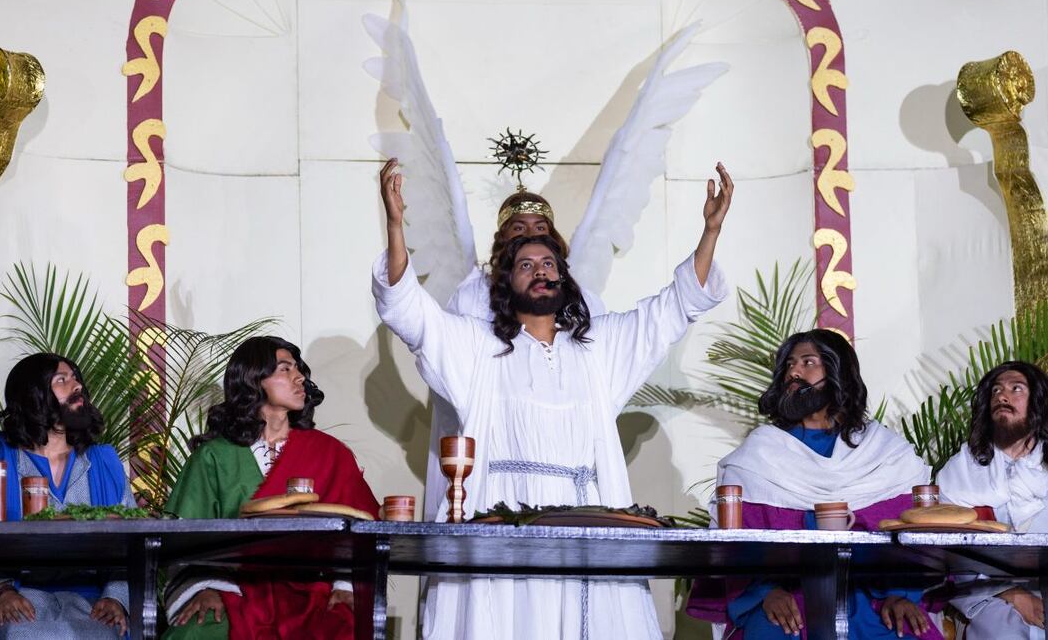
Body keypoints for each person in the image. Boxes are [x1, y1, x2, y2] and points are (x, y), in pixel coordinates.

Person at [373, 158, 732, 639]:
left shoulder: (599, 348)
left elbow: (671, 309)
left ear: (562, 277)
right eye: (526, 265)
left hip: (586, 526)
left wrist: (709, 232)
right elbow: (410, 313)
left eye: (548, 264)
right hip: (498, 526)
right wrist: (396, 226)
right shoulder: (478, 347)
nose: (539, 271)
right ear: (506, 282)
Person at [687, 330, 941, 639]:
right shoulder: (758, 455)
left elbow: (914, 539)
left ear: (839, 373)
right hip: (787, 598)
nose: (794, 372)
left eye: (808, 362)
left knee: (909, 630)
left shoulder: (885, 453)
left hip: (874, 597)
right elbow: (733, 546)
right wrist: (764, 594)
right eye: (790, 365)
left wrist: (902, 595)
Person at [162, 336, 379, 640]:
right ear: (255, 379)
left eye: (298, 369)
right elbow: (180, 542)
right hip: (234, 587)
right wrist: (205, 588)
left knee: (342, 627)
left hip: (313, 590)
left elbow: (363, 534)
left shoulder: (330, 453)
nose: (299, 376)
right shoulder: (213, 456)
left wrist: (345, 587)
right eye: (285, 369)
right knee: (200, 631)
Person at [420, 177, 606, 523]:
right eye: (517, 227)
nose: (528, 233)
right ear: (502, 237)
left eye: (539, 227)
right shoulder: (473, 293)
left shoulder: (579, 297)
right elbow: (455, 359)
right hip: (494, 439)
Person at [0, 353, 134, 639]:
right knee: (20, 633)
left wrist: (116, 597)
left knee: (102, 634)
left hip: (92, 599)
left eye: (76, 378)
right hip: (15, 594)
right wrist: (1, 591)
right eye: (62, 380)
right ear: (33, 396)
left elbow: (131, 543)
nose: (77, 385)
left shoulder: (106, 464)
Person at [937, 361, 1048, 637]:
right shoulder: (960, 471)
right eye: (996, 391)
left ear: (1038, 403)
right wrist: (1009, 593)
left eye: (1016, 388)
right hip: (986, 595)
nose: (1002, 396)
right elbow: (948, 554)